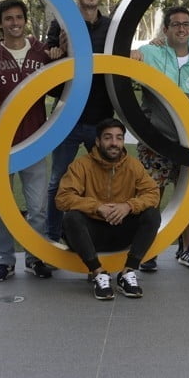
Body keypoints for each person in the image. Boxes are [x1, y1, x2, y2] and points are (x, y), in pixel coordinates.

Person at [0, 0, 54, 282]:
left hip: (35, 140)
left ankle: (35, 258)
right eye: (8, 18)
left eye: (19, 17)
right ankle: (5, 261)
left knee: (38, 208)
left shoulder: (42, 52)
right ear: (0, 23)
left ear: (25, 20)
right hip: (1, 143)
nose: (15, 23)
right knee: (2, 207)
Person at [136, 6, 189, 269]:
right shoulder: (152, 53)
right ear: (166, 29)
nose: (181, 28)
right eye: (176, 24)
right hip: (156, 139)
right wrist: (145, 46)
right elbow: (125, 60)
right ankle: (147, 249)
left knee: (187, 196)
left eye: (186, 24)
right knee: (151, 195)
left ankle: (188, 247)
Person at [44, 0, 116, 245]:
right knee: (58, 182)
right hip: (67, 116)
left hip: (101, 118)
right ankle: (52, 239)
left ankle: (99, 240)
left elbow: (119, 60)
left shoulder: (111, 27)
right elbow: (49, 63)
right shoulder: (61, 24)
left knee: (104, 184)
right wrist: (57, 53)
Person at [56, 119, 162, 300]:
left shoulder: (133, 165)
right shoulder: (81, 165)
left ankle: (128, 272)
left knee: (152, 214)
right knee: (71, 218)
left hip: (122, 232)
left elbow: (152, 193)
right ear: (97, 141)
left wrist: (128, 206)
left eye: (119, 138)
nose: (114, 143)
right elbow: (63, 198)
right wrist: (97, 207)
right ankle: (98, 273)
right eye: (108, 138)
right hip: (91, 235)